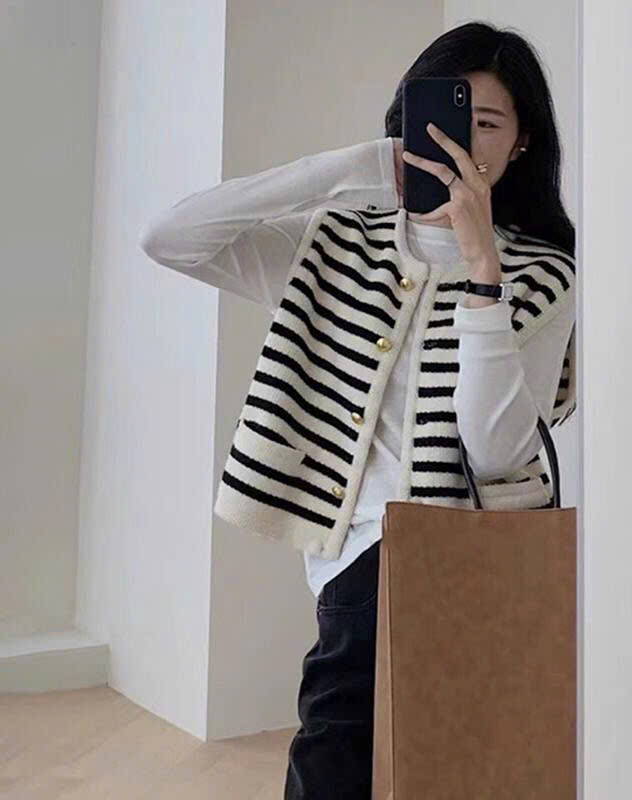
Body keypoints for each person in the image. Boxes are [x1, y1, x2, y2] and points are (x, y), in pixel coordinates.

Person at [139, 19, 575, 800]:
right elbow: (170, 237)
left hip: (473, 559)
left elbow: (497, 451)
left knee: (406, 750)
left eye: (486, 122)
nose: (460, 141)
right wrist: (361, 167)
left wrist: (483, 269)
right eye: (442, 114)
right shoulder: (336, 246)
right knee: (359, 740)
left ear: (521, 145)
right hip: (360, 555)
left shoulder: (543, 275)